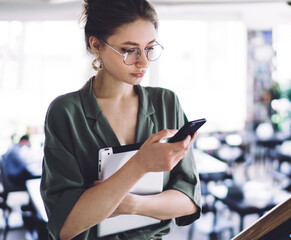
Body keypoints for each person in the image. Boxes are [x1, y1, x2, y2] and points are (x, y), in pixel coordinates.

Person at [40, 0, 201, 239]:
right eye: (128, 50)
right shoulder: (66, 113)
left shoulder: (166, 102)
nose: (143, 62)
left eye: (149, 48)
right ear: (96, 45)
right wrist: (140, 165)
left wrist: (131, 204)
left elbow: (188, 200)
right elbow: (66, 226)